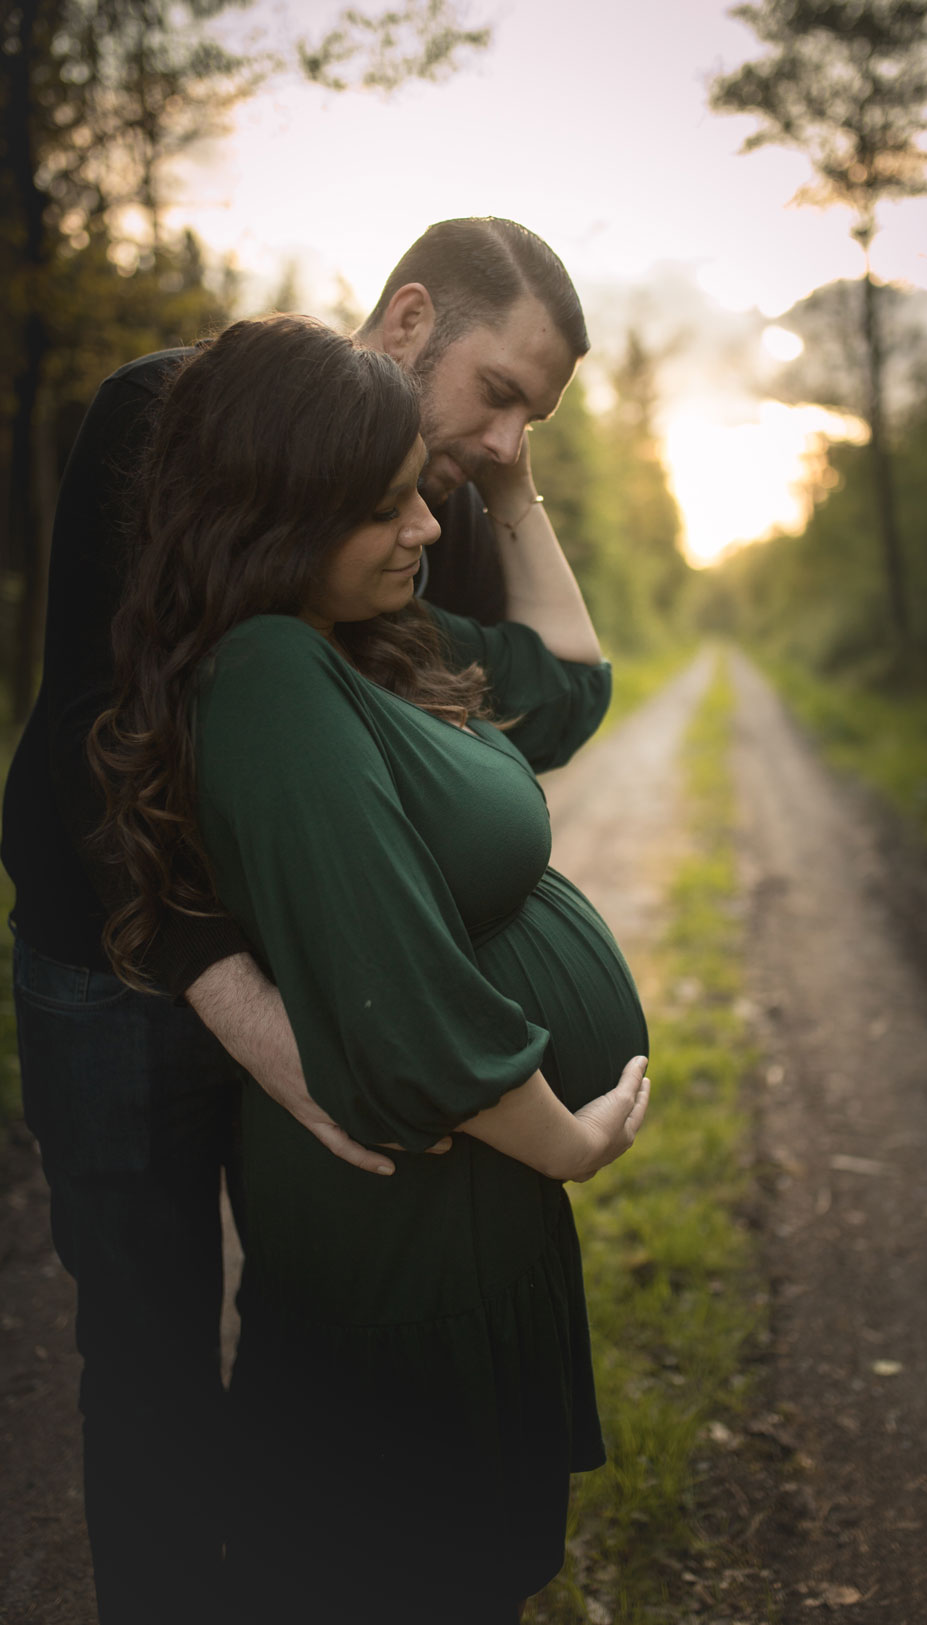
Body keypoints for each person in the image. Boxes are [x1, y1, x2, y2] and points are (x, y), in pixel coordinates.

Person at [0, 218, 598, 1623]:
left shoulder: (428, 506)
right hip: (119, 968)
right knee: (145, 1342)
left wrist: (516, 489)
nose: (502, 442)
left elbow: (558, 700)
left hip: (296, 966)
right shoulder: (162, 417)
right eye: (500, 396)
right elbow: (105, 733)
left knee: (306, 1315)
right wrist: (261, 1024)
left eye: (539, 419)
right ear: (405, 322)